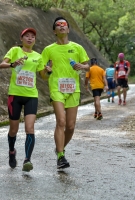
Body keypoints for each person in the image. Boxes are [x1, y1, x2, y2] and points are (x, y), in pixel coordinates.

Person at [41, 17, 90, 169]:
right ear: (54, 31)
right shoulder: (48, 50)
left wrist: (82, 66)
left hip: (73, 89)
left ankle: (59, 148)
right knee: (61, 122)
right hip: (56, 88)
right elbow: (42, 74)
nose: (61, 27)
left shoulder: (78, 48)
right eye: (58, 25)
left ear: (68, 29)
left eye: (64, 25)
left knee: (70, 126)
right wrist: (46, 71)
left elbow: (88, 67)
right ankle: (61, 157)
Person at [0, 28, 49, 172]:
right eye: (27, 36)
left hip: (31, 96)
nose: (30, 38)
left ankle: (27, 160)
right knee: (13, 130)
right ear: (21, 38)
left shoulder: (38, 57)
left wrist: (48, 71)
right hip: (14, 95)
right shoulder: (15, 50)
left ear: (35, 40)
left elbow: (43, 76)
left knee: (29, 128)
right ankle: (11, 151)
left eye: (32, 36)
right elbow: (2, 65)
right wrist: (12, 64)